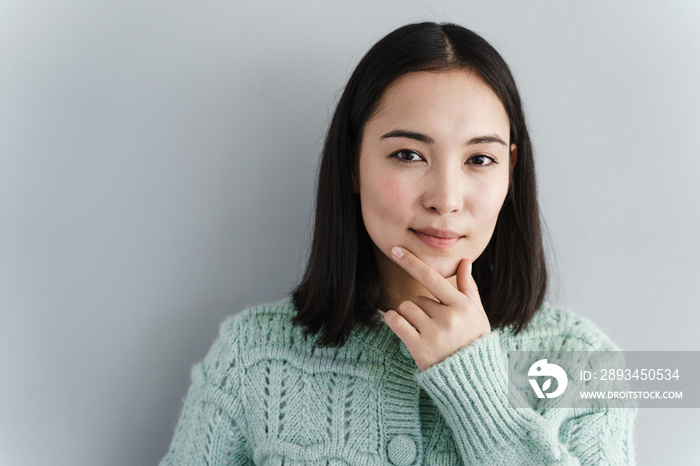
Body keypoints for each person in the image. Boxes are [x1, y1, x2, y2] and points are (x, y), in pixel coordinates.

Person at [160, 22, 636, 465]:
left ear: (510, 170)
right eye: (408, 155)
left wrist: (480, 394)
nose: (446, 199)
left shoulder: (586, 362)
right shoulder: (251, 355)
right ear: (353, 164)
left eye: (480, 159)